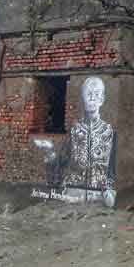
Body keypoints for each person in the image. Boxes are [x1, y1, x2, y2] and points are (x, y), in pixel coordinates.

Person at [32, 76, 117, 206]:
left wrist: (110, 190)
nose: (92, 98)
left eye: (96, 94)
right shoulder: (75, 132)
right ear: (83, 97)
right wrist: (49, 153)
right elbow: (62, 162)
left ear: (102, 99)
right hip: (74, 192)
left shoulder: (109, 132)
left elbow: (111, 168)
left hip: (99, 195)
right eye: (88, 94)